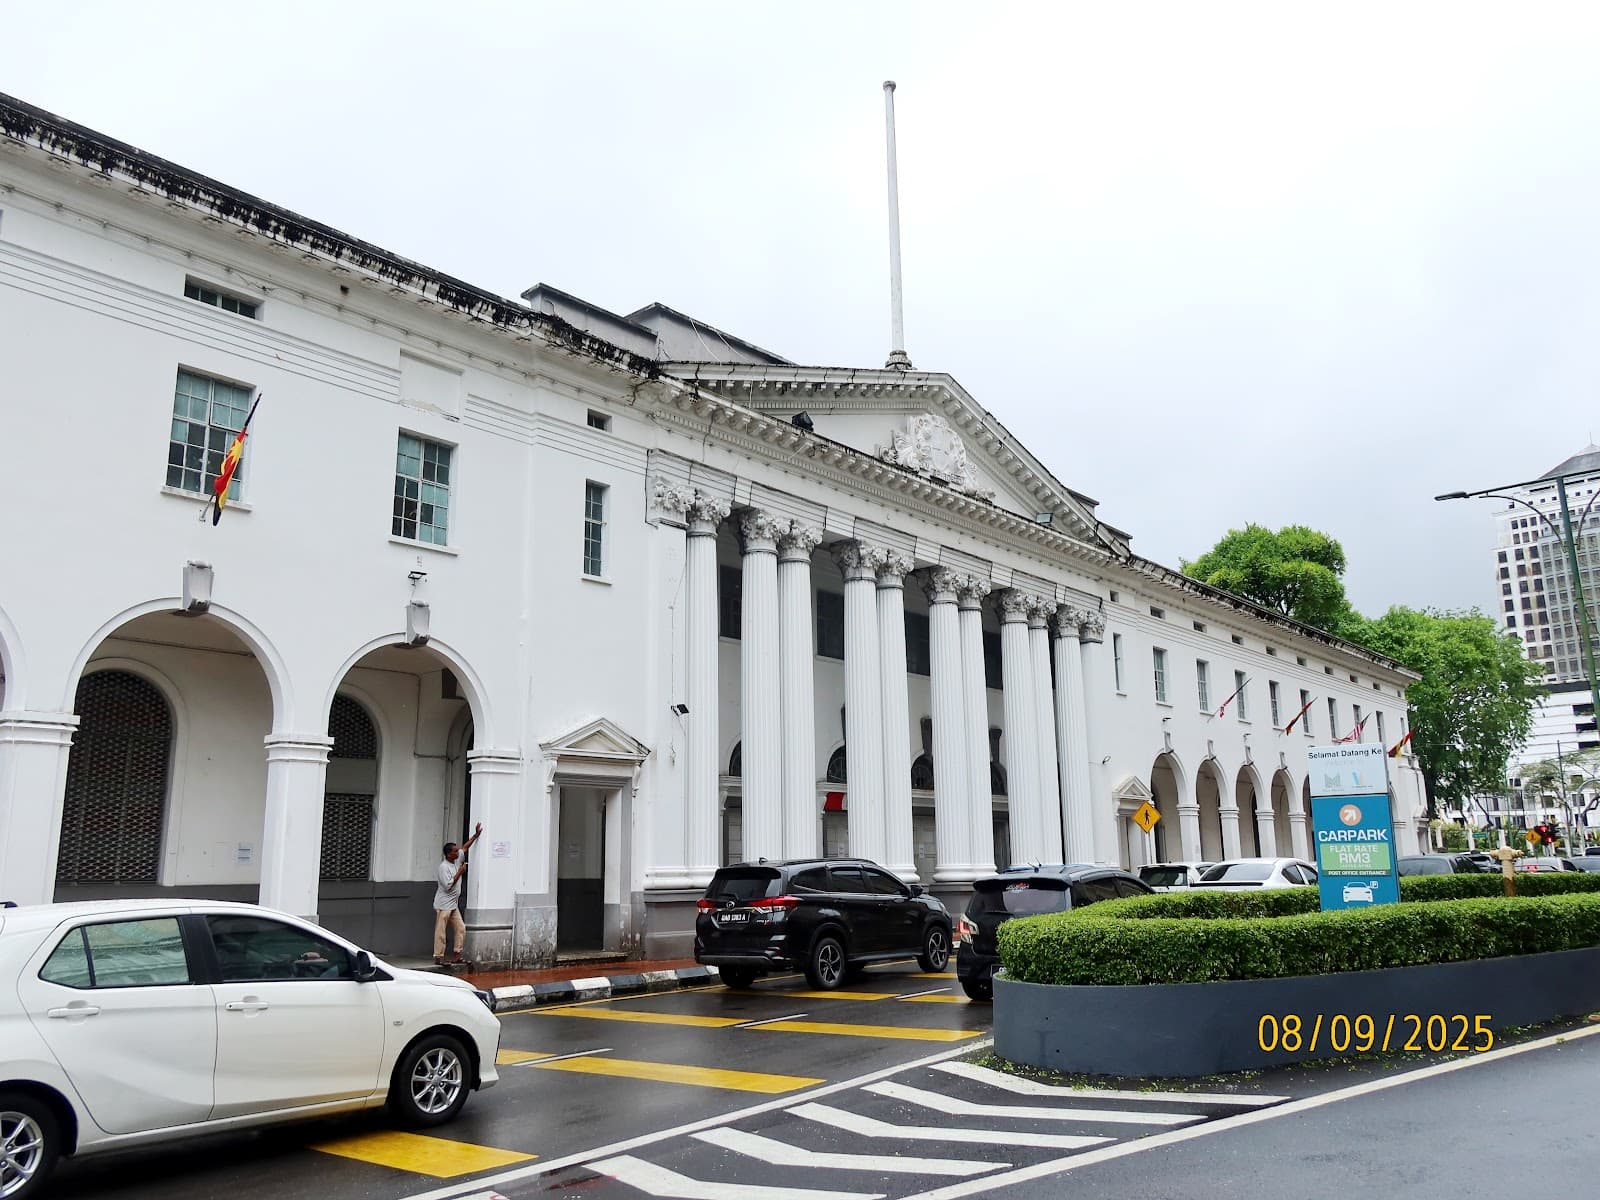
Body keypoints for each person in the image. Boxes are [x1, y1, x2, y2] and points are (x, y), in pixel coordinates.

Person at [434, 821, 483, 965]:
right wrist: (460, 873)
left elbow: (465, 848)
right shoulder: (443, 867)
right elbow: (448, 886)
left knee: (461, 928)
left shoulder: (456, 860)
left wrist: (475, 835)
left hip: (453, 904)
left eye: (456, 851)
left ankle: (457, 954)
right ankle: (439, 956)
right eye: (454, 851)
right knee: (440, 931)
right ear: (448, 854)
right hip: (443, 904)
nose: (458, 852)